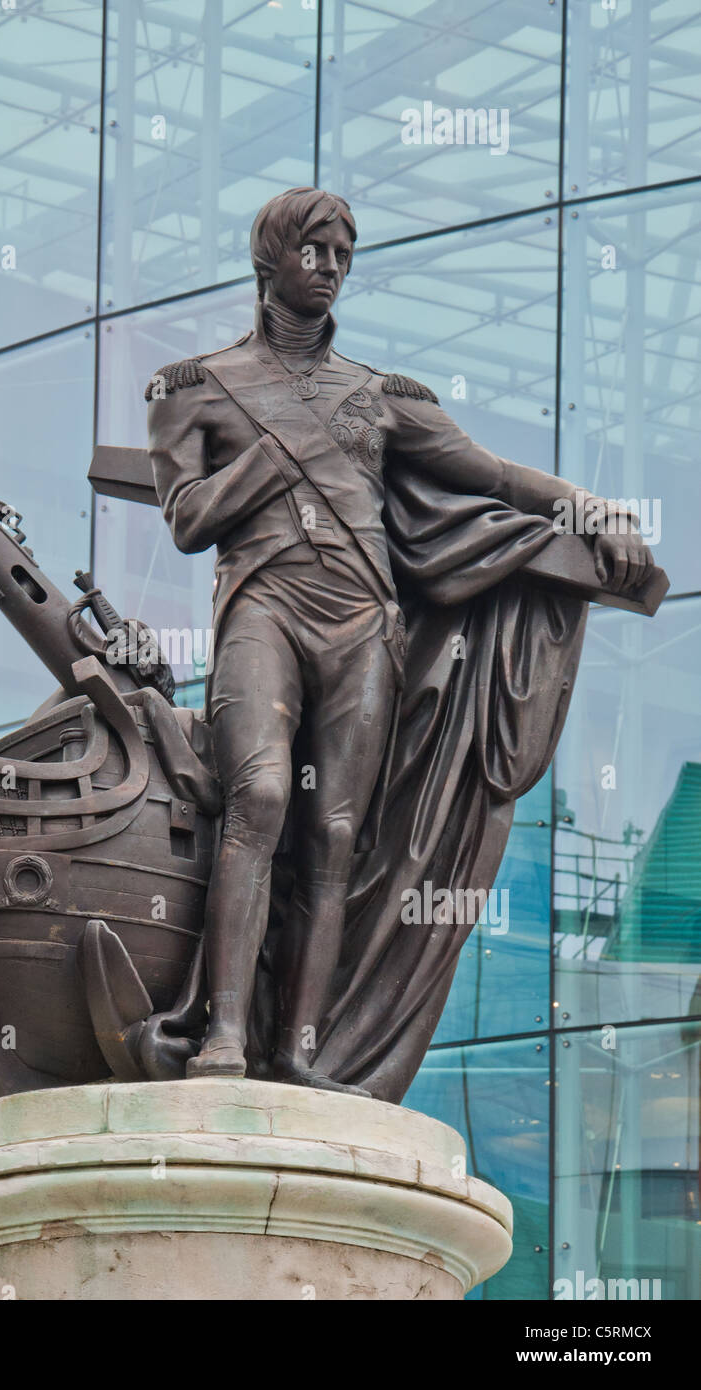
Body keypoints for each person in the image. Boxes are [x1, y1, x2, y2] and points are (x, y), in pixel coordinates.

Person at [146, 187, 651, 1089]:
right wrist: (274, 450)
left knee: (338, 832)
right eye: (314, 250)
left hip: (361, 623)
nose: (331, 266)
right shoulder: (197, 387)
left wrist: (588, 507)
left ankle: (301, 1047)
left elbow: (492, 474)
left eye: (344, 253)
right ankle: (224, 1034)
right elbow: (186, 520)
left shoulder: (380, 398)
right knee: (260, 796)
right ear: (271, 261)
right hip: (263, 606)